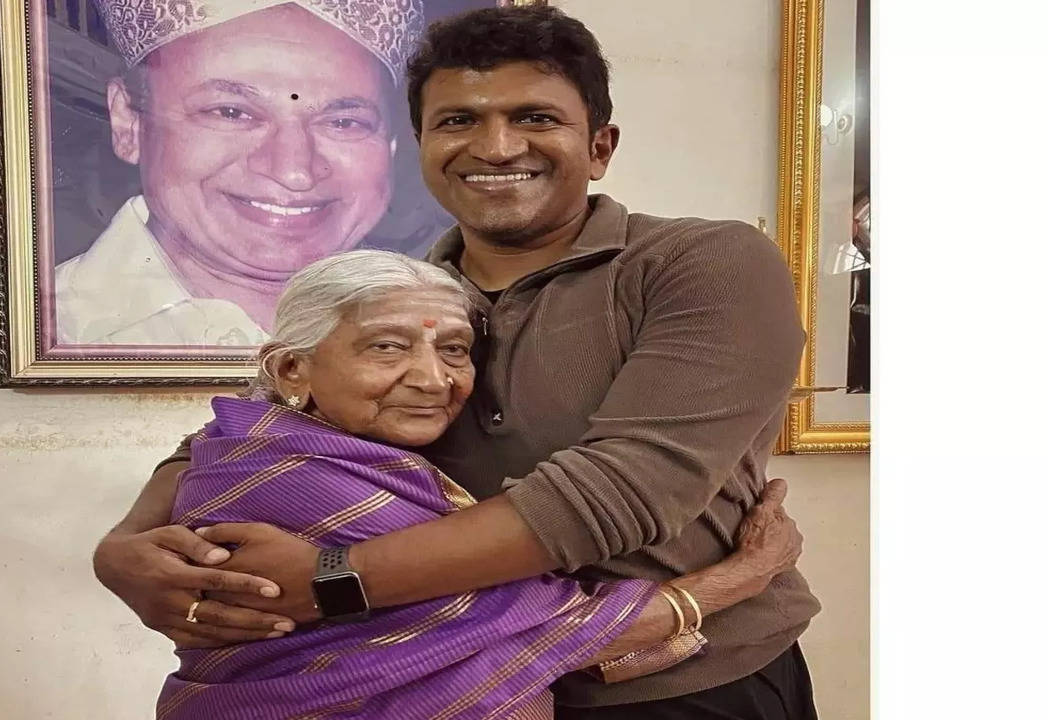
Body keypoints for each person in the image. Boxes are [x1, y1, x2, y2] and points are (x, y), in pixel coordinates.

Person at [94, 6, 822, 719]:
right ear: (421, 146)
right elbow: (252, 421)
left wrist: (331, 582)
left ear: (600, 146)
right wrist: (123, 551)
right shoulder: (403, 292)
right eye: (458, 120)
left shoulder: (699, 264)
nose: (497, 147)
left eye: (535, 117)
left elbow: (623, 493)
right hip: (435, 688)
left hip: (685, 682)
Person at [155, 250, 803, 719]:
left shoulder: (252, 445)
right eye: (386, 348)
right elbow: (555, 627)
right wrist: (746, 574)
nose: (433, 379)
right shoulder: (294, 486)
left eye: (455, 350)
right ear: (293, 367)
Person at [55, 0, 423, 345]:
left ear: (390, 144)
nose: (294, 172)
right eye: (231, 112)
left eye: (344, 122)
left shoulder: (447, 336)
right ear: (128, 123)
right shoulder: (51, 335)